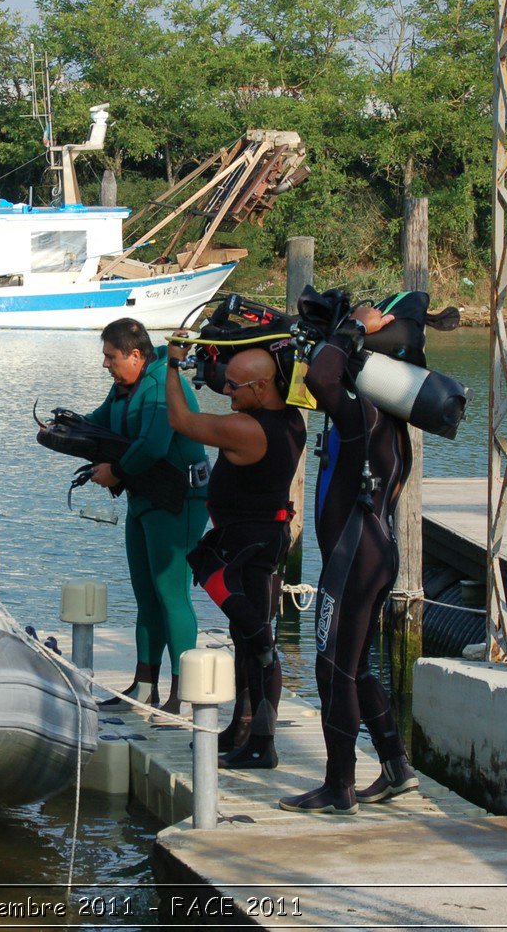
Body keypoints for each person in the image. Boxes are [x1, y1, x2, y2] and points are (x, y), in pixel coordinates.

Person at [279, 303, 418, 814]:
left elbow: (319, 375)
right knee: (355, 665)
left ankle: (339, 786)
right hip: (373, 553)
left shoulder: (364, 416)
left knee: (332, 667)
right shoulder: (391, 422)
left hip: (353, 558)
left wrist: (353, 326)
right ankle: (396, 767)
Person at [163, 342, 305, 769]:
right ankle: (242, 727)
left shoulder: (249, 430)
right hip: (252, 539)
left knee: (259, 643)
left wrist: (172, 365)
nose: (227, 391)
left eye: (235, 386)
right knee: (246, 639)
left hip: (251, 546)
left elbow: (181, 419)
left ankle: (263, 743)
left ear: (262, 387)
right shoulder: (290, 418)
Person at [87, 318, 210, 714]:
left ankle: (184, 693)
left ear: (136, 356)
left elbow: (154, 445)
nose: (105, 364)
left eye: (111, 356)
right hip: (144, 499)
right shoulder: (125, 385)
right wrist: (63, 428)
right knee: (146, 594)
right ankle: (144, 687)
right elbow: (99, 421)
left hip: (180, 500)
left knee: (171, 593)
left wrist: (115, 471)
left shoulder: (160, 385)